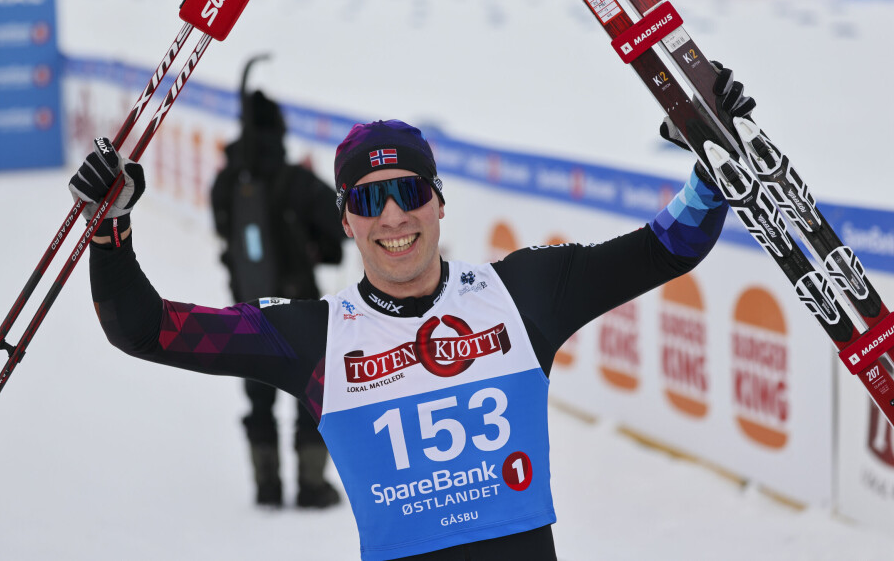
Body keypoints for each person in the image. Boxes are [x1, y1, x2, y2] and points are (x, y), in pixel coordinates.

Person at [72, 66, 753, 560]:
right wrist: (111, 228)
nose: (393, 216)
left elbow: (669, 246)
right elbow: (145, 328)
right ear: (345, 220)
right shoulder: (311, 337)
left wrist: (709, 161)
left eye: (409, 191)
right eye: (368, 200)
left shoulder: (522, 293)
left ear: (439, 202)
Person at [210, 86, 345, 508]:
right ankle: (310, 485)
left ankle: (266, 485)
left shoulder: (224, 181)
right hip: (299, 310)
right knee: (312, 396)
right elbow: (337, 229)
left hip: (247, 311)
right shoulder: (298, 181)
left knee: (258, 398)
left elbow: (222, 232)